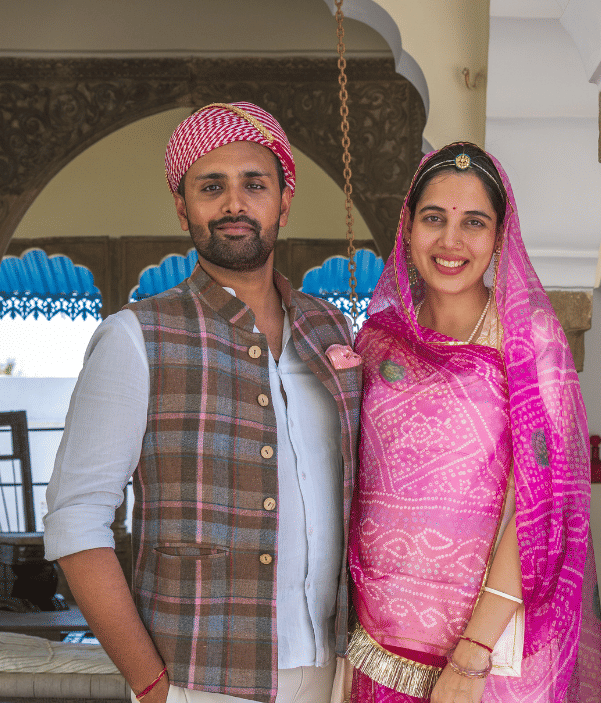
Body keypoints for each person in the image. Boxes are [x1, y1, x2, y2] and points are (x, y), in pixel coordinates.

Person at [44, 102, 362, 703]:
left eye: (254, 185)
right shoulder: (135, 337)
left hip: (336, 675)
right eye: (211, 186)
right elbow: (75, 520)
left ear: (284, 202)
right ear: (183, 205)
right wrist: (152, 683)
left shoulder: (331, 331)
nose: (234, 204)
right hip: (200, 680)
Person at [345, 143, 601, 703]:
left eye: (474, 223)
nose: (450, 241)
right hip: (382, 645)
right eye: (434, 219)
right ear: (407, 226)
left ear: (499, 236)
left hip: (487, 659)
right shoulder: (378, 339)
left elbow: (541, 505)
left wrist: (473, 654)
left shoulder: (529, 340)